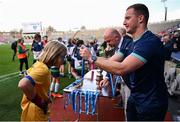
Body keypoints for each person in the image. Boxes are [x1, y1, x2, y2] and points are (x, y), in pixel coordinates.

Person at [80, 3, 168, 121]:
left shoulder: (149, 42)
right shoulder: (132, 43)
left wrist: (92, 58)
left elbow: (121, 68)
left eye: (128, 18)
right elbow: (111, 61)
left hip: (151, 101)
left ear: (140, 18)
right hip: (136, 96)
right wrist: (96, 61)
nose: (124, 22)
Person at [18, 41, 67, 121]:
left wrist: (45, 97)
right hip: (36, 112)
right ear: (54, 55)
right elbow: (23, 84)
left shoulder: (39, 64)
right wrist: (40, 102)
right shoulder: (43, 69)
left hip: (33, 109)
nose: (63, 60)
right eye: (62, 57)